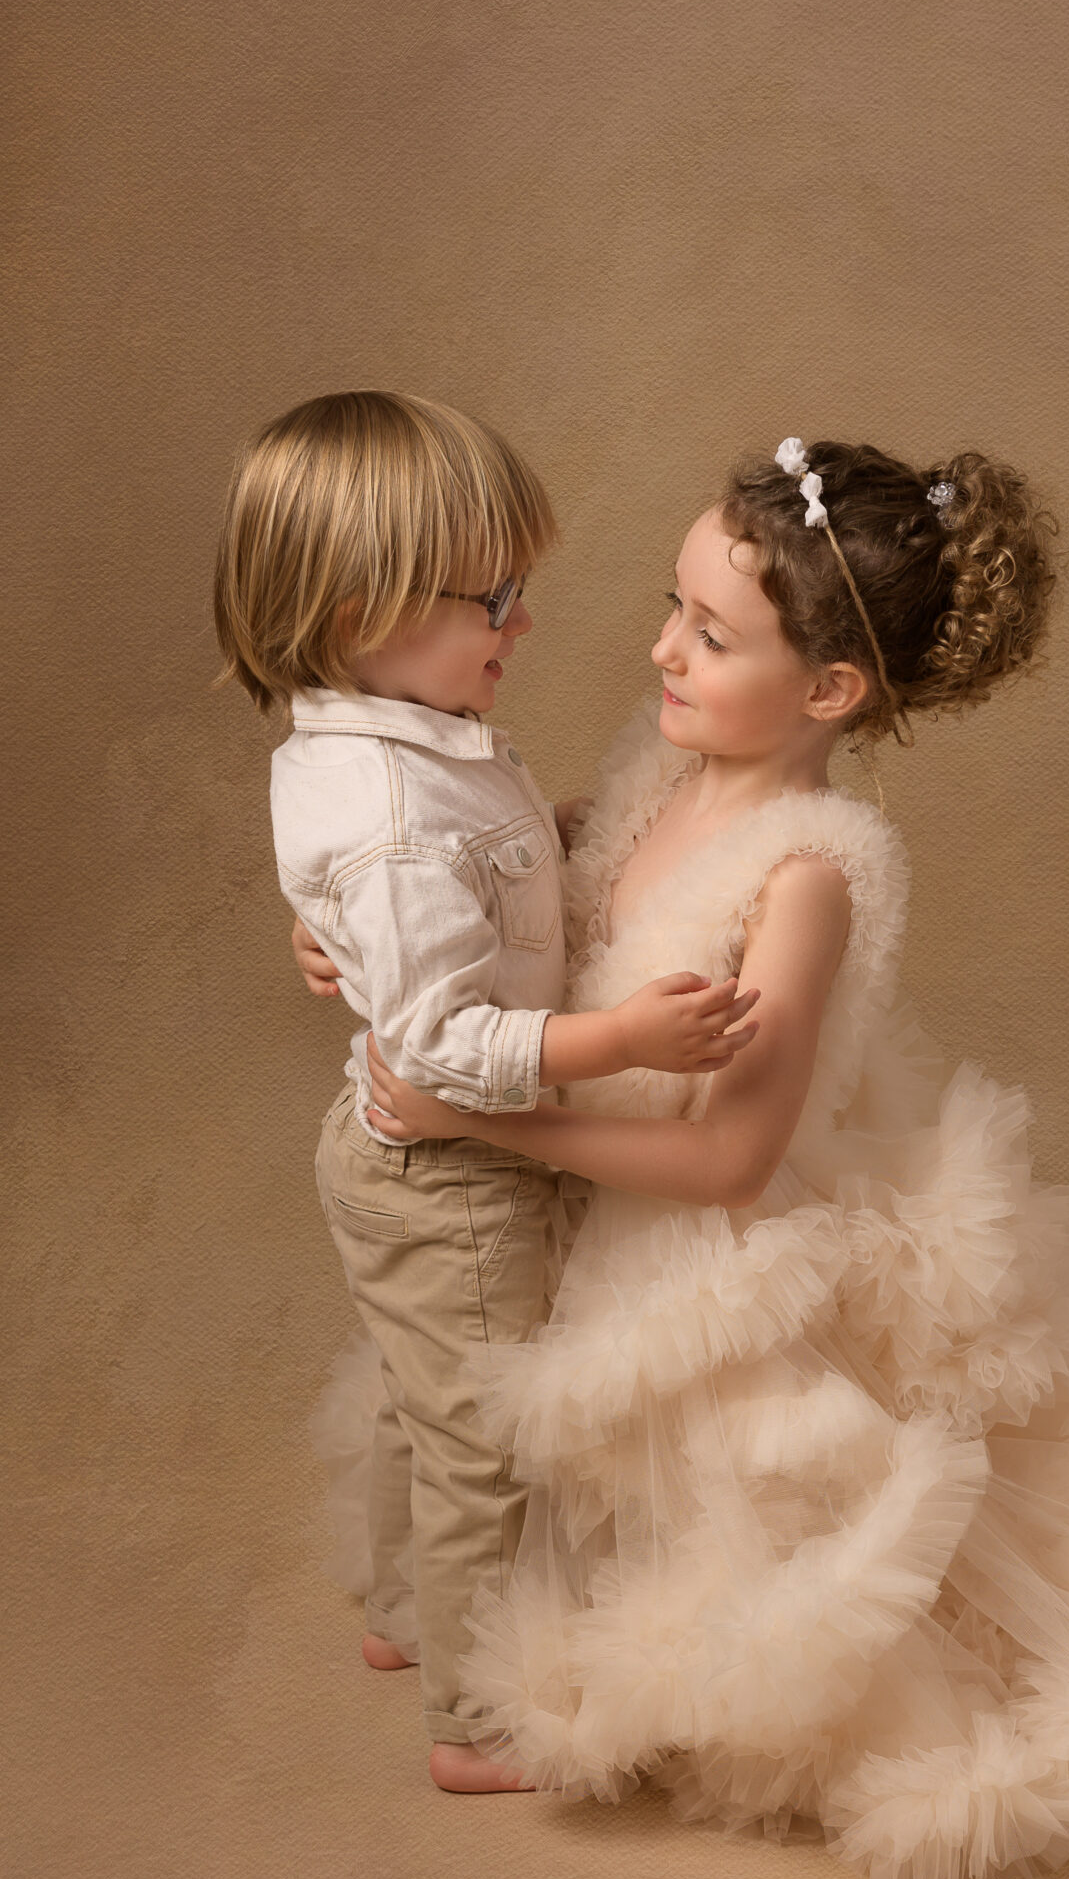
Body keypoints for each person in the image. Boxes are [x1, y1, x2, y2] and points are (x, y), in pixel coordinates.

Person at [347, 431, 1069, 1879]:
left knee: (718, 1539)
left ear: (829, 692)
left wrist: (478, 1121)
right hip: (581, 1187)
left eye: (711, 635)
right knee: (452, 1409)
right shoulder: (661, 759)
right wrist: (371, 930)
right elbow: (522, 894)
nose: (662, 648)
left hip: (698, 1246)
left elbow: (734, 1159)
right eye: (676, 607)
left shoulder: (806, 876)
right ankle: (442, 1597)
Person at [215, 389, 758, 1792]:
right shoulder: (396, 815)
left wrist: (544, 842)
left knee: (423, 1402)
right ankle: (479, 1718)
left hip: (408, 1161)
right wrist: (619, 1037)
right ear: (362, 616)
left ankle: (408, 1613)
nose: (522, 623)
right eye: (493, 600)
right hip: (449, 1175)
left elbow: (423, 895)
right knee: (485, 1441)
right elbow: (446, 1043)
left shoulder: (398, 735)